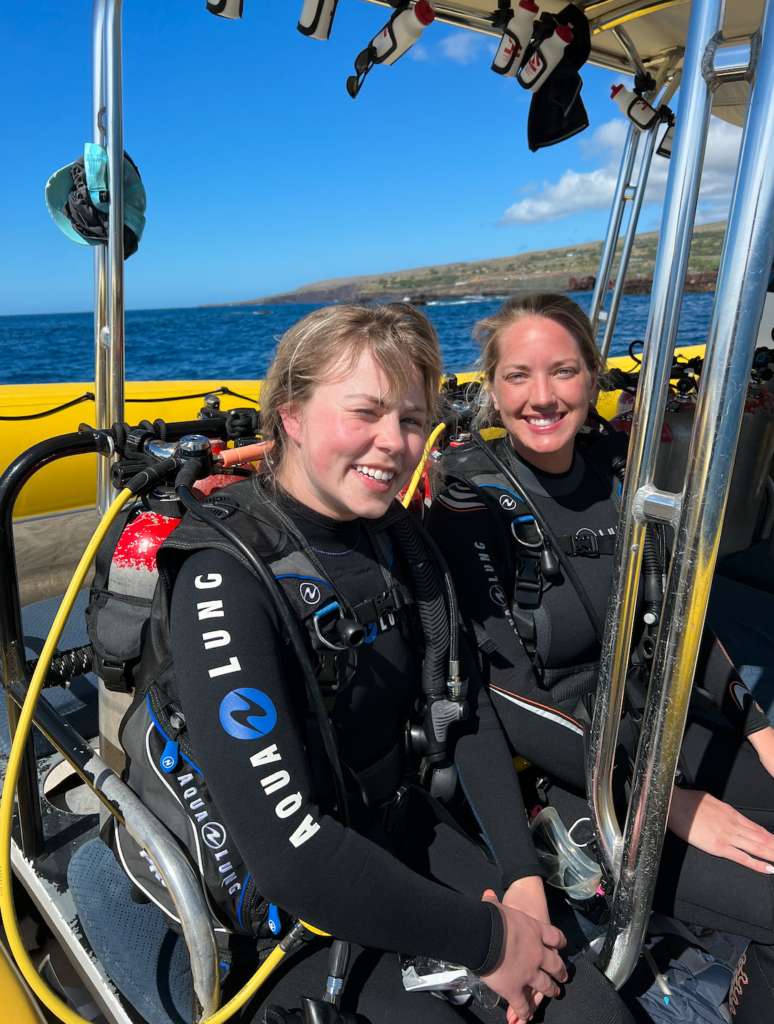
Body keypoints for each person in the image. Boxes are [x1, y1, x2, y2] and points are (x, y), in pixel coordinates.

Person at [113, 303, 633, 1024]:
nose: (393, 444)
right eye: (366, 412)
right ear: (290, 414)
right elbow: (293, 854)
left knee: (592, 1012)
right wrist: (488, 943)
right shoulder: (226, 580)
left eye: (412, 421)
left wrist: (519, 879)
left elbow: (467, 704)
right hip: (298, 912)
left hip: (406, 833)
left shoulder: (396, 540)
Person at [426, 293, 774, 1021]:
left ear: (593, 376)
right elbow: (506, 700)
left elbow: (687, 621)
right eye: (518, 376)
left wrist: (757, 724)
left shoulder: (627, 475)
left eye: (563, 371)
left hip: (659, 730)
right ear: (492, 386)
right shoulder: (469, 504)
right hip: (571, 773)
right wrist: (658, 798)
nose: (542, 397)